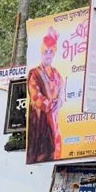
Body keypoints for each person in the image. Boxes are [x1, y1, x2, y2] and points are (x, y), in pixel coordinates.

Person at [27, 28, 63, 162]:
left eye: (51, 52)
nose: (48, 55)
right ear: (41, 54)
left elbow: (62, 89)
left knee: (55, 144)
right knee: (43, 150)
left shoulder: (56, 73)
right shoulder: (35, 73)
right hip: (40, 120)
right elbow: (35, 97)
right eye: (45, 52)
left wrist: (59, 101)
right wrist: (50, 105)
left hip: (53, 117)